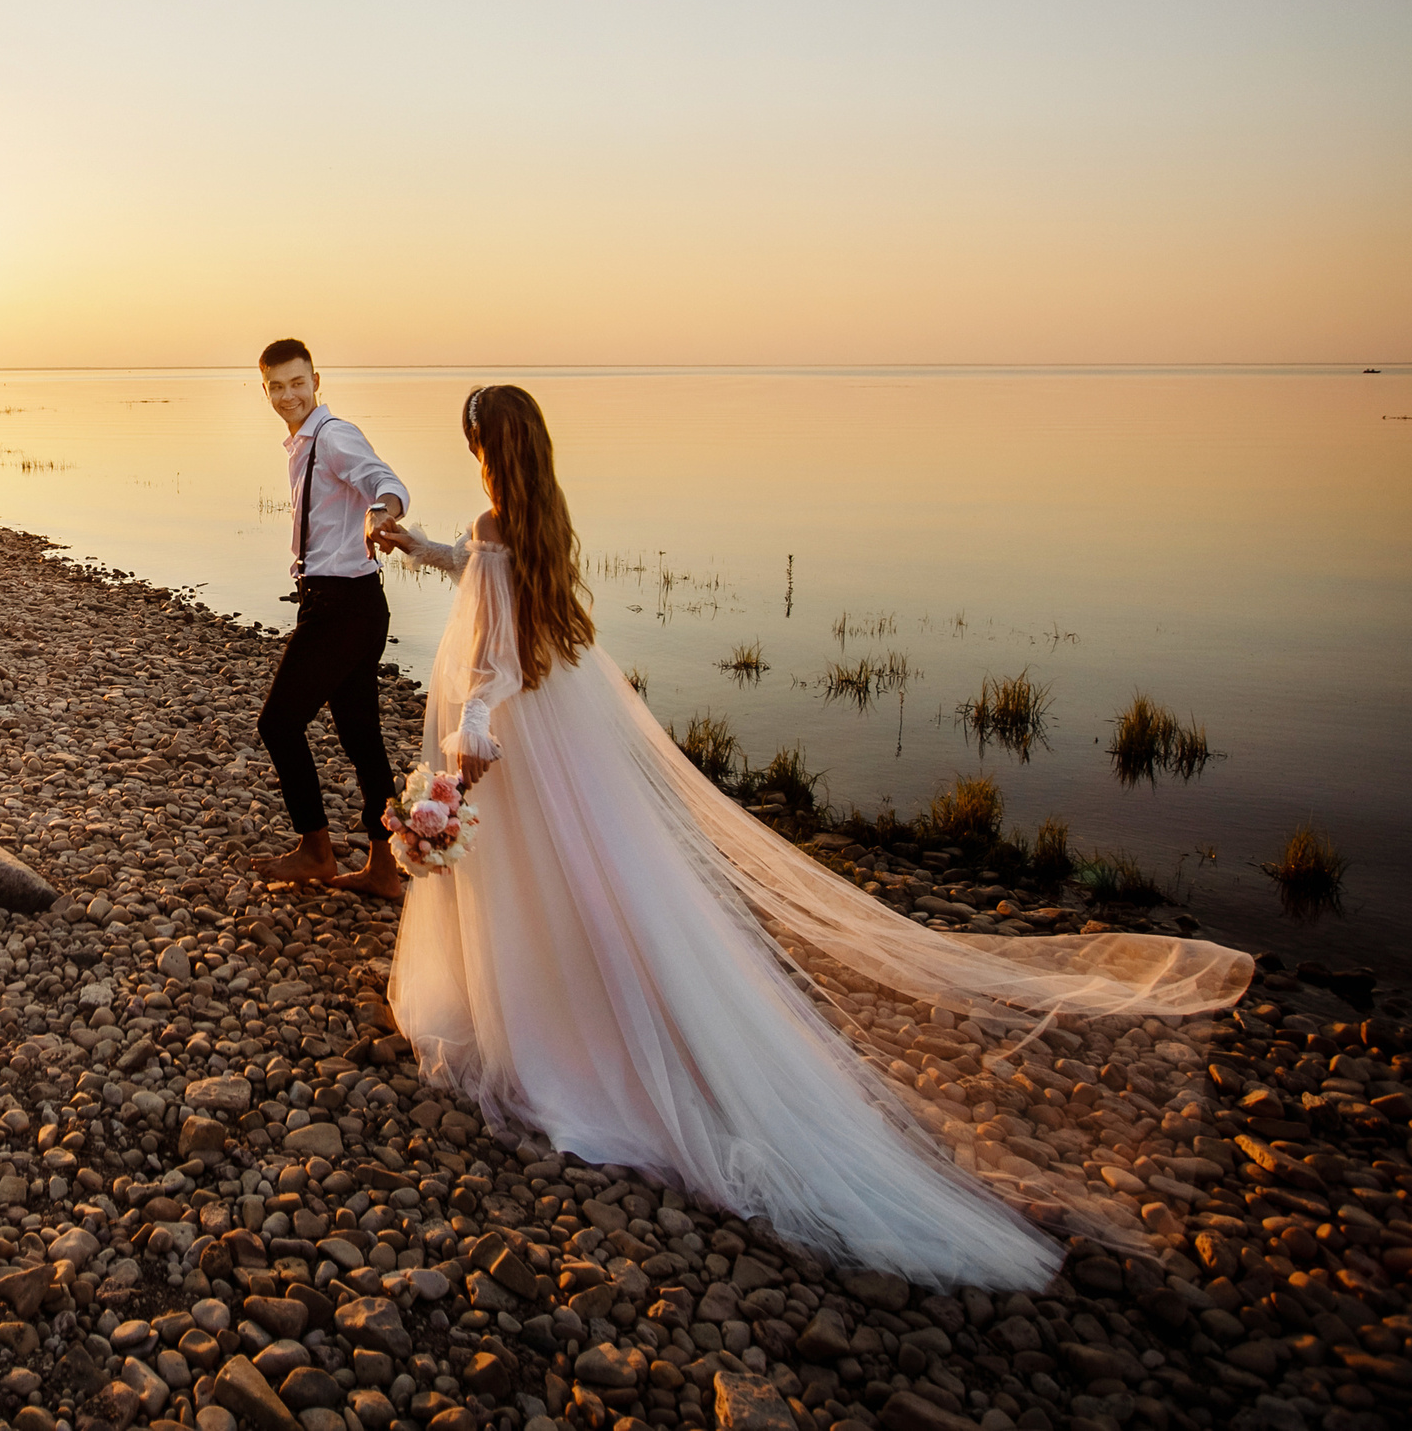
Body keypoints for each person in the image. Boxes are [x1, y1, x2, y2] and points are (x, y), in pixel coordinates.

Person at [372, 384, 1251, 1287]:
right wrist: (416, 546)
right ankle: (614, 1007)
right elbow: (491, 574)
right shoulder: (536, 514)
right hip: (564, 732)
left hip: (521, 734)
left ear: (489, 448)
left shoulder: (496, 518)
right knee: (598, 881)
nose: (471, 452)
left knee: (539, 881)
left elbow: (499, 661)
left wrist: (463, 753)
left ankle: (556, 1031)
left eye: (472, 439)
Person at [252, 338, 410, 900]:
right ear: (264, 388)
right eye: (276, 386)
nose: (288, 395)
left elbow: (387, 483)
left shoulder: (335, 435)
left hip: (343, 606)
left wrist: (379, 515)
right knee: (362, 735)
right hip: (352, 603)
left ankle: (316, 850)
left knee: (278, 723)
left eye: (298, 383)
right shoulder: (301, 444)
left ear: (316, 380)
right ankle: (384, 865)